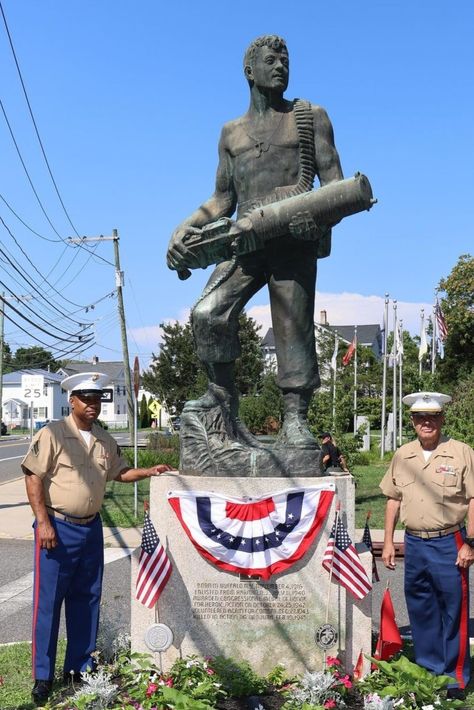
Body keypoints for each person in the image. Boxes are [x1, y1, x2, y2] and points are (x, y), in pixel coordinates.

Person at [167, 35, 343, 450]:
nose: (281, 65)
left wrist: (314, 222)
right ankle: (223, 402)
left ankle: (295, 418)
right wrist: (186, 227)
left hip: (293, 239)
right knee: (208, 313)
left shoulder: (310, 116)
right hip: (245, 243)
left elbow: (335, 188)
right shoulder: (231, 132)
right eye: (271, 59)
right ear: (250, 71)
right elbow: (222, 199)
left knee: (293, 324)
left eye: (286, 59)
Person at [23, 372, 175, 705]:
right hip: (56, 529)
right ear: (72, 400)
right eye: (86, 399)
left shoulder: (105, 439)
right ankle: (43, 677)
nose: (93, 405)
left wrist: (147, 472)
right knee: (47, 605)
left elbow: (119, 472)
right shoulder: (52, 434)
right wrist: (43, 522)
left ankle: (78, 667)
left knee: (87, 599)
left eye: (97, 399)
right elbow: (33, 478)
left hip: (91, 529)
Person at [380, 391, 474, 700]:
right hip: (414, 543)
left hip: (450, 541)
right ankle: (429, 672)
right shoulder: (403, 455)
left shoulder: (461, 452)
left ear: (442, 419)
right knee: (421, 609)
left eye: (433, 417)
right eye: (420, 418)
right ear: (413, 422)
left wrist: (470, 543)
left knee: (453, 610)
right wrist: (391, 541)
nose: (427, 422)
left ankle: (455, 679)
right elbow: (394, 499)